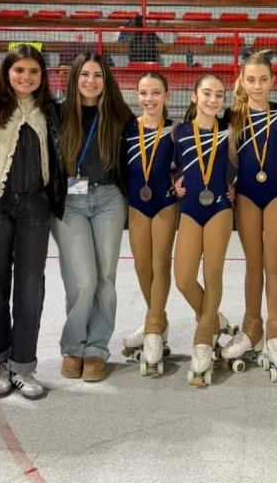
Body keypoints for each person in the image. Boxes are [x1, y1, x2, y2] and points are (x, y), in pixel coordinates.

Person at [0, 44, 67, 399]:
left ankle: (23, 366)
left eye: (33, 71)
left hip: (35, 207)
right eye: (19, 71)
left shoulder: (50, 111)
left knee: (31, 289)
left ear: (42, 76)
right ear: (6, 72)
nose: (26, 78)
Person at [52, 53, 133, 383]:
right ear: (74, 78)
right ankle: (73, 344)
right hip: (69, 202)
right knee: (82, 279)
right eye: (84, 74)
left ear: (106, 79)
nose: (90, 81)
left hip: (108, 200)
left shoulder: (119, 115)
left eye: (97, 75)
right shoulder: (55, 113)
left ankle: (97, 347)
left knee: (105, 277)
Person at [220, 51, 277, 381]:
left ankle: (276, 330)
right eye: (251, 79)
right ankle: (253, 326)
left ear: (272, 81)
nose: (257, 85)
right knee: (253, 264)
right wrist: (233, 182)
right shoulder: (233, 115)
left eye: (264, 79)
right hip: (248, 194)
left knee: (272, 264)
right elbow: (232, 158)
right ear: (242, 81)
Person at [172, 74, 236, 386]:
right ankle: (215, 319)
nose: (213, 100)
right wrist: (174, 179)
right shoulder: (179, 131)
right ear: (194, 96)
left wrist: (234, 184)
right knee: (183, 278)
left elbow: (248, 161)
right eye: (207, 93)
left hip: (219, 208)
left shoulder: (228, 131)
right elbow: (166, 165)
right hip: (189, 210)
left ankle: (202, 339)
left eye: (219, 95)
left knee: (212, 275)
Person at [121, 72, 179, 375]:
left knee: (160, 264)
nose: (149, 99)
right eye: (144, 93)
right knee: (142, 266)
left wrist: (180, 181)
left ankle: (153, 327)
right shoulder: (128, 129)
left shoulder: (174, 131)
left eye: (156, 93)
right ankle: (158, 319)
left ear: (166, 96)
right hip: (136, 204)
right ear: (137, 96)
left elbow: (186, 166)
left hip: (165, 204)